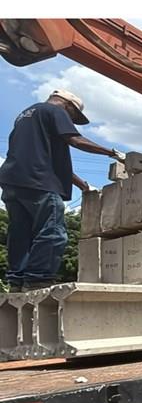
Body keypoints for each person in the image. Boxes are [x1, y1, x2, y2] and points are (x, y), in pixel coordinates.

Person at [0, 90, 123, 292]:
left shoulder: (26, 116)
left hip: (14, 182)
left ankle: (16, 281)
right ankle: (38, 280)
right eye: (74, 116)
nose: (71, 120)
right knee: (52, 232)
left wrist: (83, 185)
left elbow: (51, 162)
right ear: (68, 105)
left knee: (20, 232)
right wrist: (112, 152)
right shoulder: (54, 111)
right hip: (39, 182)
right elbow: (76, 140)